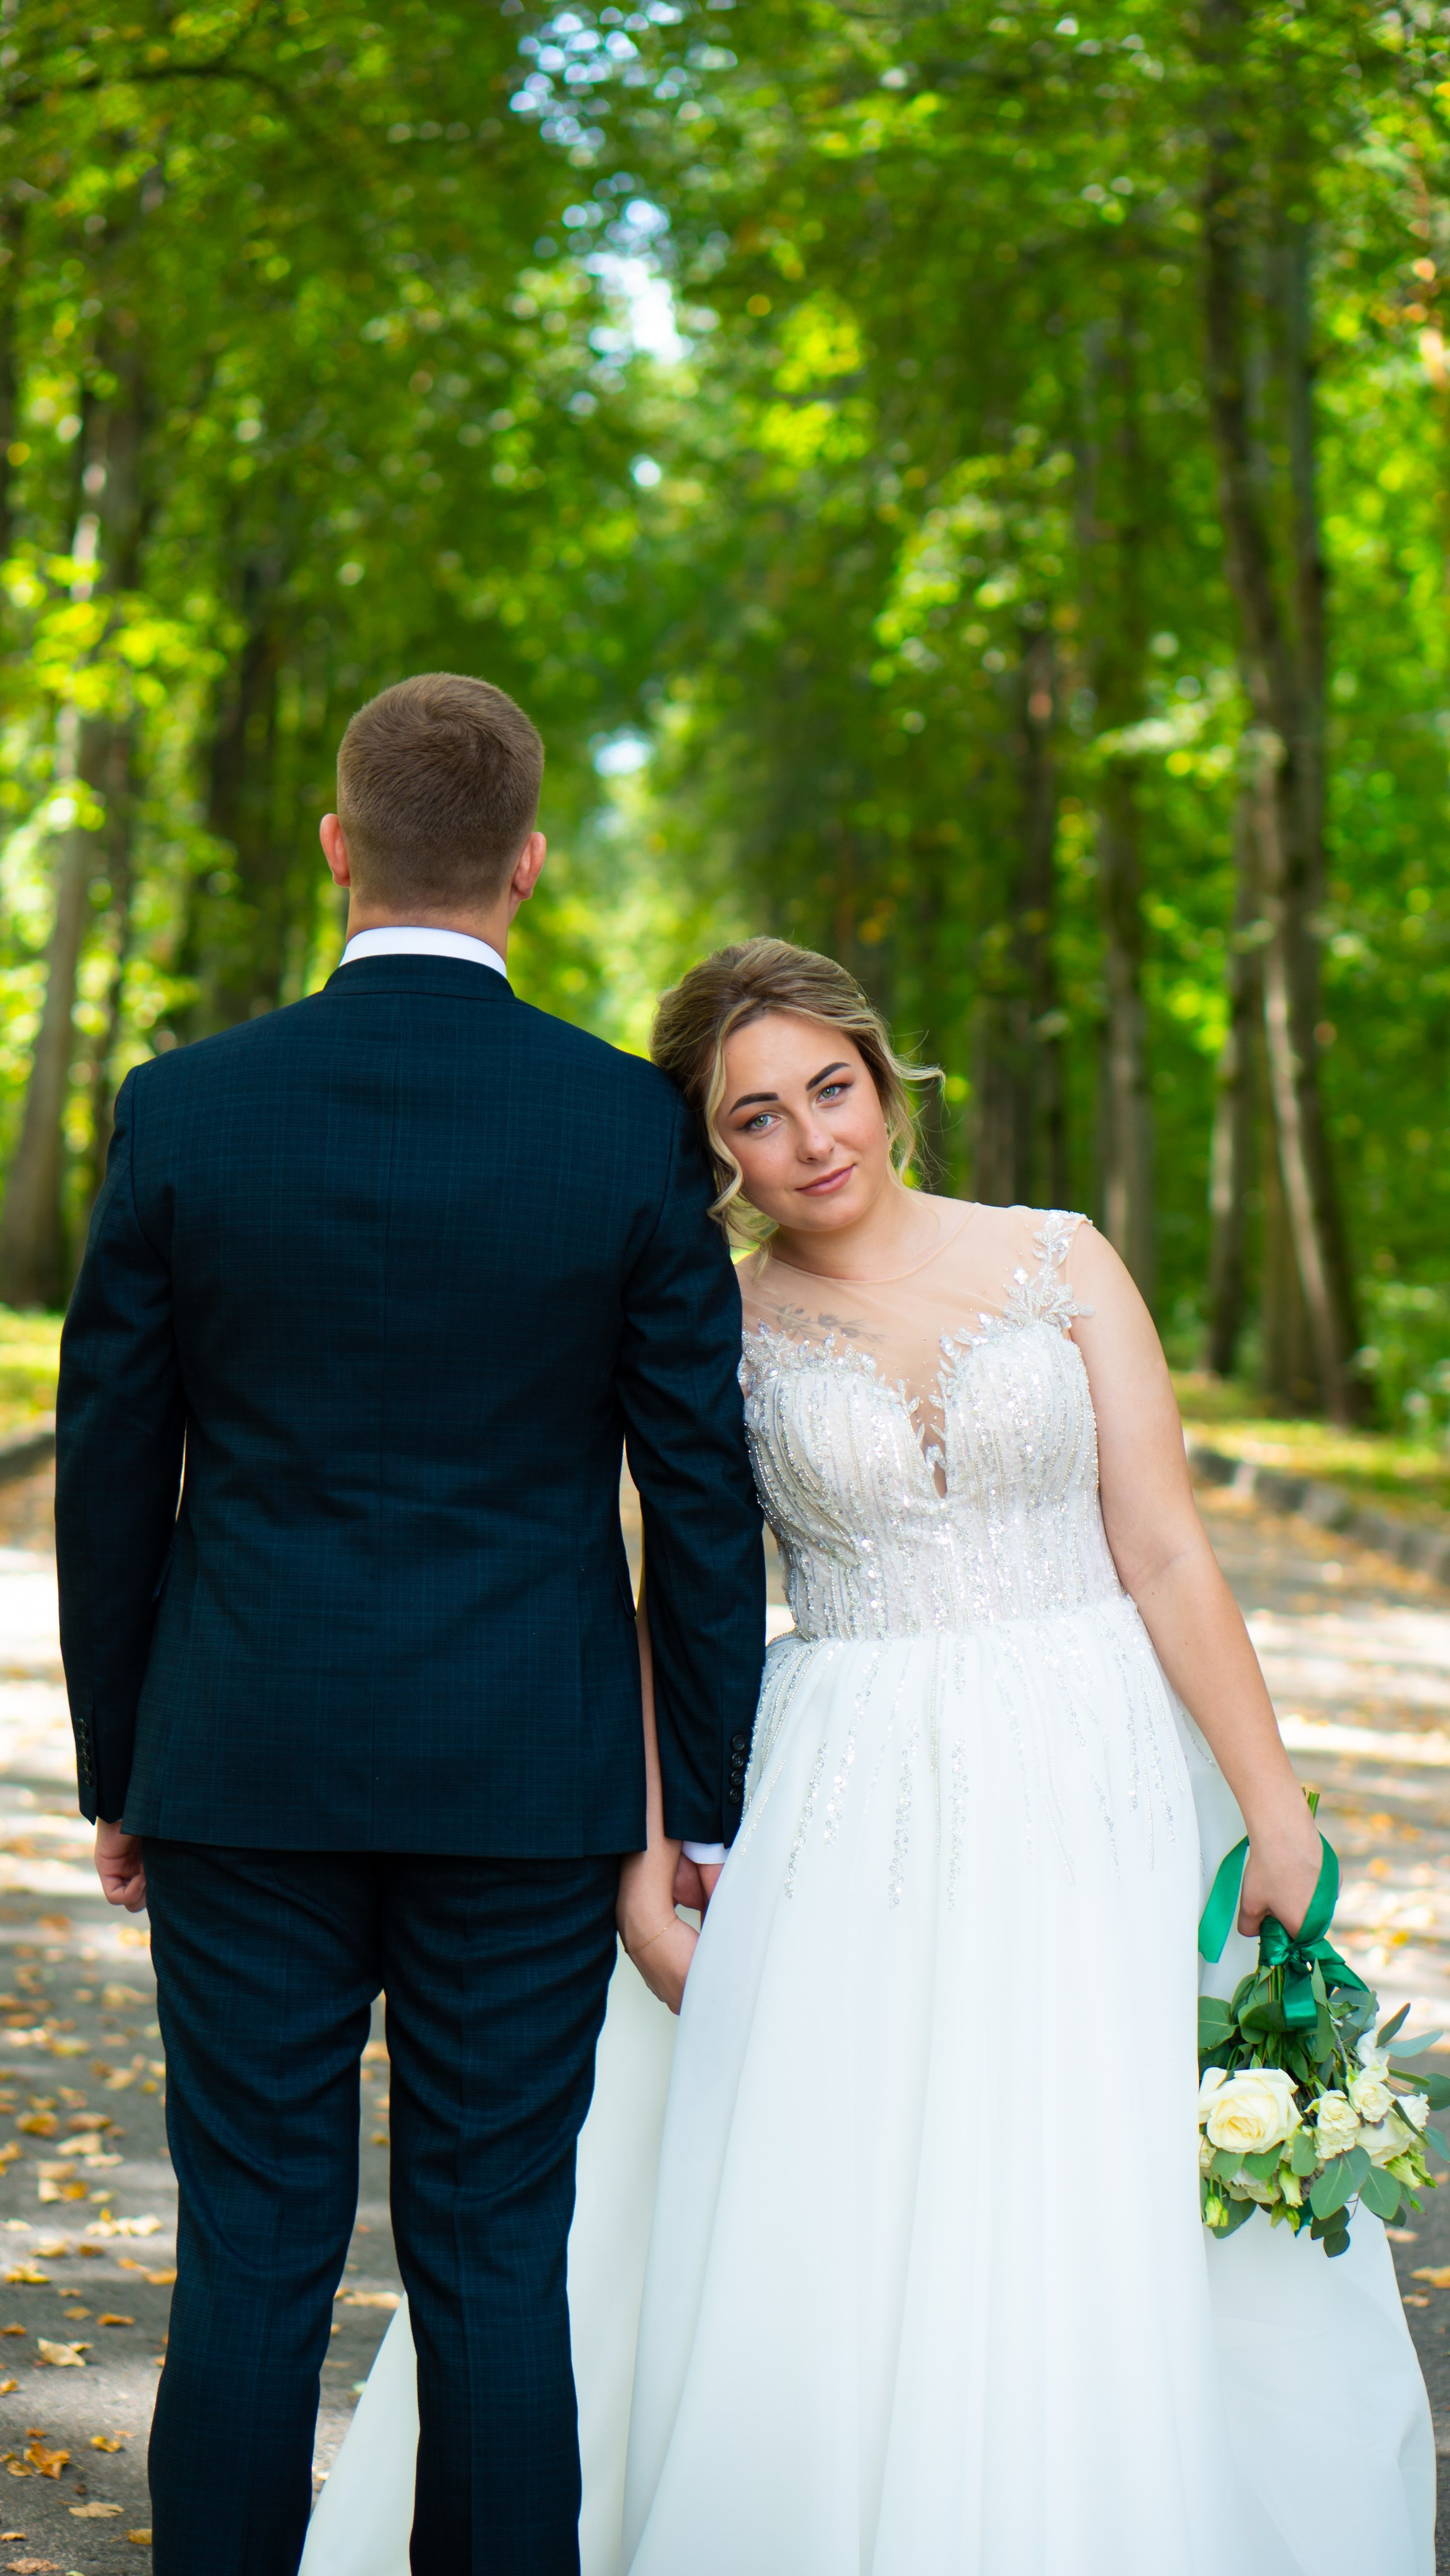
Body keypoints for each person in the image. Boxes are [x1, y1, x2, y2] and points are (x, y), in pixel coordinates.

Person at [308, 935, 1434, 2576]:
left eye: (827, 1087)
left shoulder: (1057, 1259)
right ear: (715, 1150)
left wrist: (1269, 1809)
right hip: (845, 1787)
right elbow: (639, 1597)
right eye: (755, 1119)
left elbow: (1170, 1554)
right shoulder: (706, 1318)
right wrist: (641, 1866)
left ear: (880, 1071)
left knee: (1084, 2178)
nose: (811, 1140)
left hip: (1096, 1774)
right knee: (839, 2201)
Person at [52, 674, 765, 2576]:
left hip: (242, 1763)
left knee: (256, 2257)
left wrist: (124, 1762)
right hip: (527, 1786)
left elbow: (112, 1470)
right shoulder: (626, 1130)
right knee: (489, 2267)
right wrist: (699, 1802)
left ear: (334, 847)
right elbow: (699, 1495)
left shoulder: (188, 1112)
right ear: (529, 867)